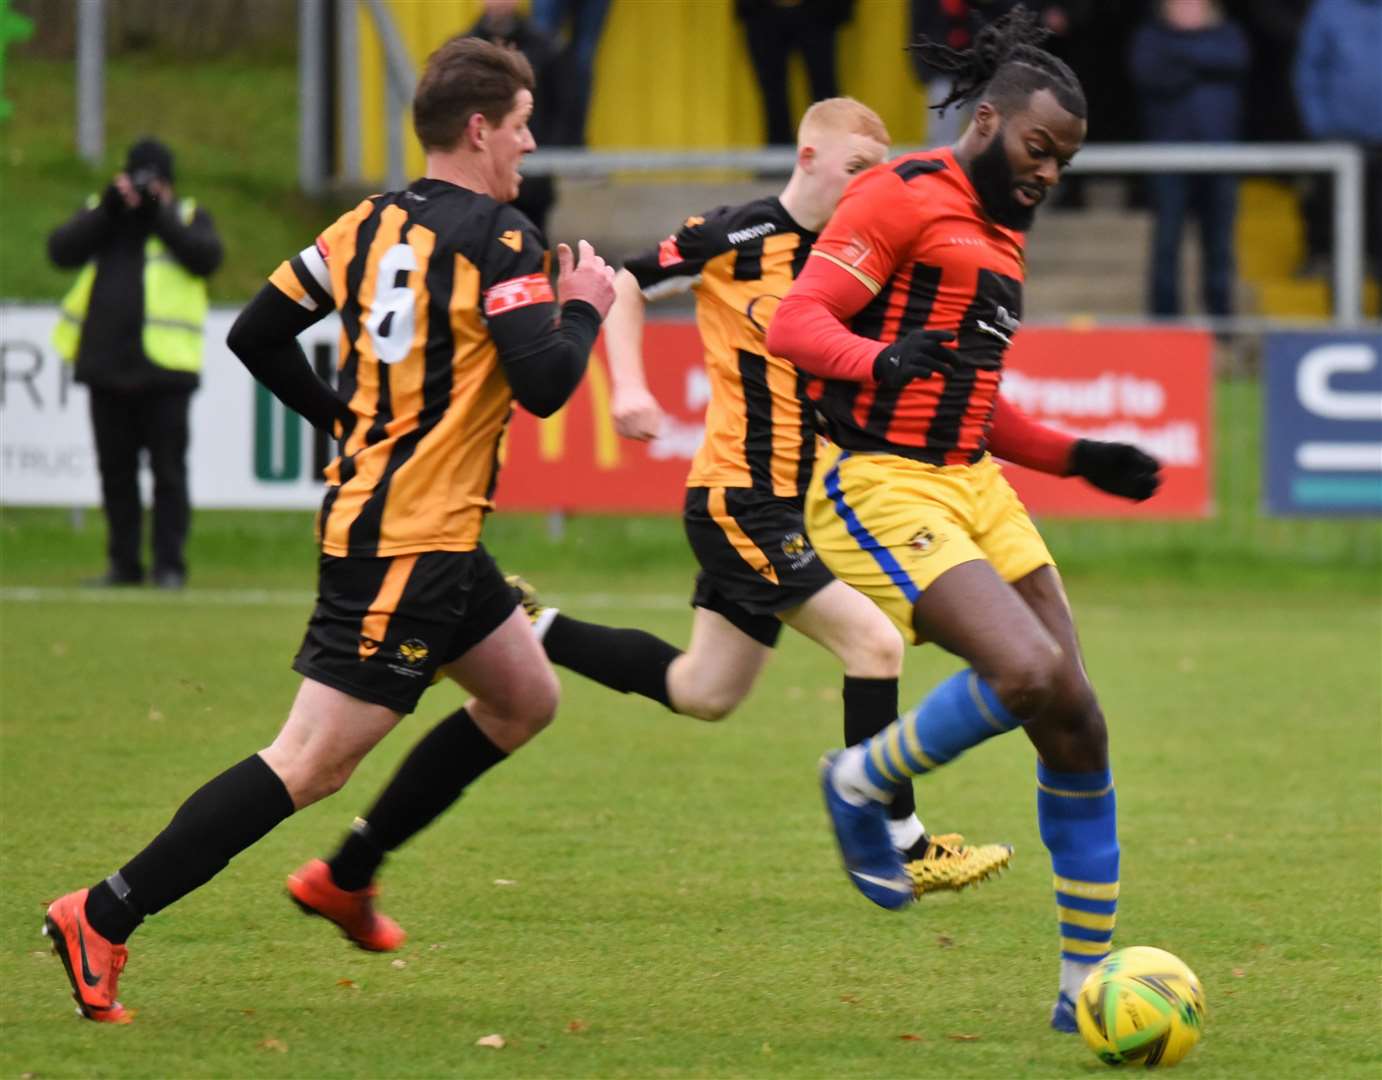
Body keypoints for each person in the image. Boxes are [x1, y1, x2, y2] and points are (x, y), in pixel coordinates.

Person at [41, 36, 617, 1024]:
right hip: (406, 544)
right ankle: (103, 911)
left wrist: (342, 421)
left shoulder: (365, 225)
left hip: (422, 530)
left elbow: (254, 332)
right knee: (309, 760)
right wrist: (584, 309)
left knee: (522, 698)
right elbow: (546, 384)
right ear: (478, 129)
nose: (531, 145)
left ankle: (348, 878)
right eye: (522, 127)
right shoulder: (501, 235)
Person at [764, 7, 1162, 1033]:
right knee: (1024, 671)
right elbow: (796, 321)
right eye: (1037, 149)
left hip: (973, 481)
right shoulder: (898, 195)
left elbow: (970, 405)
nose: (1047, 175)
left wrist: (1080, 456)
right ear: (984, 122)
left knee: (1072, 715)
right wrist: (873, 359)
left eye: (1063, 161)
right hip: (878, 482)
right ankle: (859, 782)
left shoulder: (999, 239)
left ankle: (1083, 988)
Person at [500, 97, 1010, 891]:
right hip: (741, 498)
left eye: (876, 175)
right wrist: (626, 388)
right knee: (873, 642)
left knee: (703, 692)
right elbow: (626, 282)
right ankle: (901, 845)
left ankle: (519, 625)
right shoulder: (738, 236)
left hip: (794, 505)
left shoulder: (865, 260)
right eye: (854, 170)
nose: (865, 187)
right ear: (808, 159)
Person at [47, 138, 223, 589]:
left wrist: (156, 212)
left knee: (169, 474)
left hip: (165, 371)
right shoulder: (105, 214)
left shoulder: (184, 216)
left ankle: (169, 566)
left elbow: (206, 257)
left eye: (155, 182)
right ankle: (123, 565)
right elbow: (60, 251)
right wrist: (109, 208)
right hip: (107, 367)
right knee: (116, 475)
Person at [1129, 0, 1250, 317]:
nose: (1187, 9)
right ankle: (1165, 325)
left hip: (1220, 157)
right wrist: (1203, 64)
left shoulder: (1228, 34)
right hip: (1169, 158)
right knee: (1167, 244)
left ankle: (1221, 323)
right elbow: (1150, 74)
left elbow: (1236, 60)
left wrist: (1182, 58)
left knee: (1220, 245)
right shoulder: (1151, 37)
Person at [466, 0, 576, 238]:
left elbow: (564, 105)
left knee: (530, 256)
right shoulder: (461, 51)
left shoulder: (547, 48)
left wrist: (547, 153)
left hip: (531, 186)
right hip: (477, 186)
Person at [1293, 0, 1382, 277]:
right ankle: (1324, 262)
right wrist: (1319, 125)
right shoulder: (1328, 10)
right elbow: (1308, 69)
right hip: (1339, 138)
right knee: (1332, 212)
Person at [736, 0, 854, 147]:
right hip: (761, 11)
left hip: (820, 10)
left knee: (825, 91)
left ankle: (834, 157)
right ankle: (778, 163)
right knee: (773, 98)